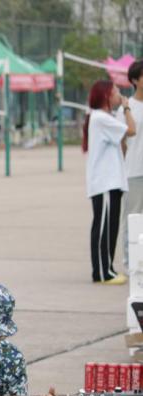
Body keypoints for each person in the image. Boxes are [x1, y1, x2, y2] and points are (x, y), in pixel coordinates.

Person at [83, 80, 136, 284]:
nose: (119, 94)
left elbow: (122, 142)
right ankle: (102, 272)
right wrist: (127, 107)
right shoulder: (100, 118)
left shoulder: (105, 118)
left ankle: (107, 269)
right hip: (104, 182)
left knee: (110, 227)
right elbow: (131, 130)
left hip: (112, 182)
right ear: (106, 95)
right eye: (115, 91)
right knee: (103, 227)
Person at [119, 60, 143, 273]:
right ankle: (128, 262)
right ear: (135, 80)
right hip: (134, 171)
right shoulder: (126, 108)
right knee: (132, 217)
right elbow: (121, 142)